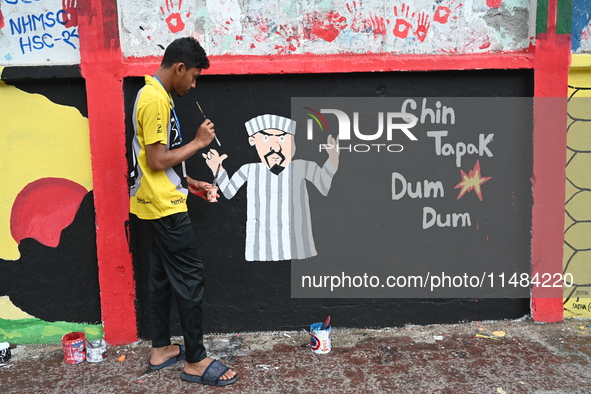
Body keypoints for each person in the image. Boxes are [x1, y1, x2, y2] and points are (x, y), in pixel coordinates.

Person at [129, 37, 237, 386]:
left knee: (161, 278)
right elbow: (158, 160)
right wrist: (198, 143)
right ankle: (195, 359)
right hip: (165, 208)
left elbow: (153, 162)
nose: (193, 84)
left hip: (154, 201)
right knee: (190, 279)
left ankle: (160, 348)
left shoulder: (154, 96)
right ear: (178, 68)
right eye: (192, 77)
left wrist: (190, 182)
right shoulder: (156, 100)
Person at [203, 114, 339, 261]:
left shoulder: (303, 166)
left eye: (282, 138)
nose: (275, 147)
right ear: (253, 141)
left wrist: (333, 158)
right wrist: (217, 167)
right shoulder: (248, 169)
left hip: (298, 247)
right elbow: (229, 192)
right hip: (260, 249)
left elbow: (323, 183)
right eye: (266, 138)